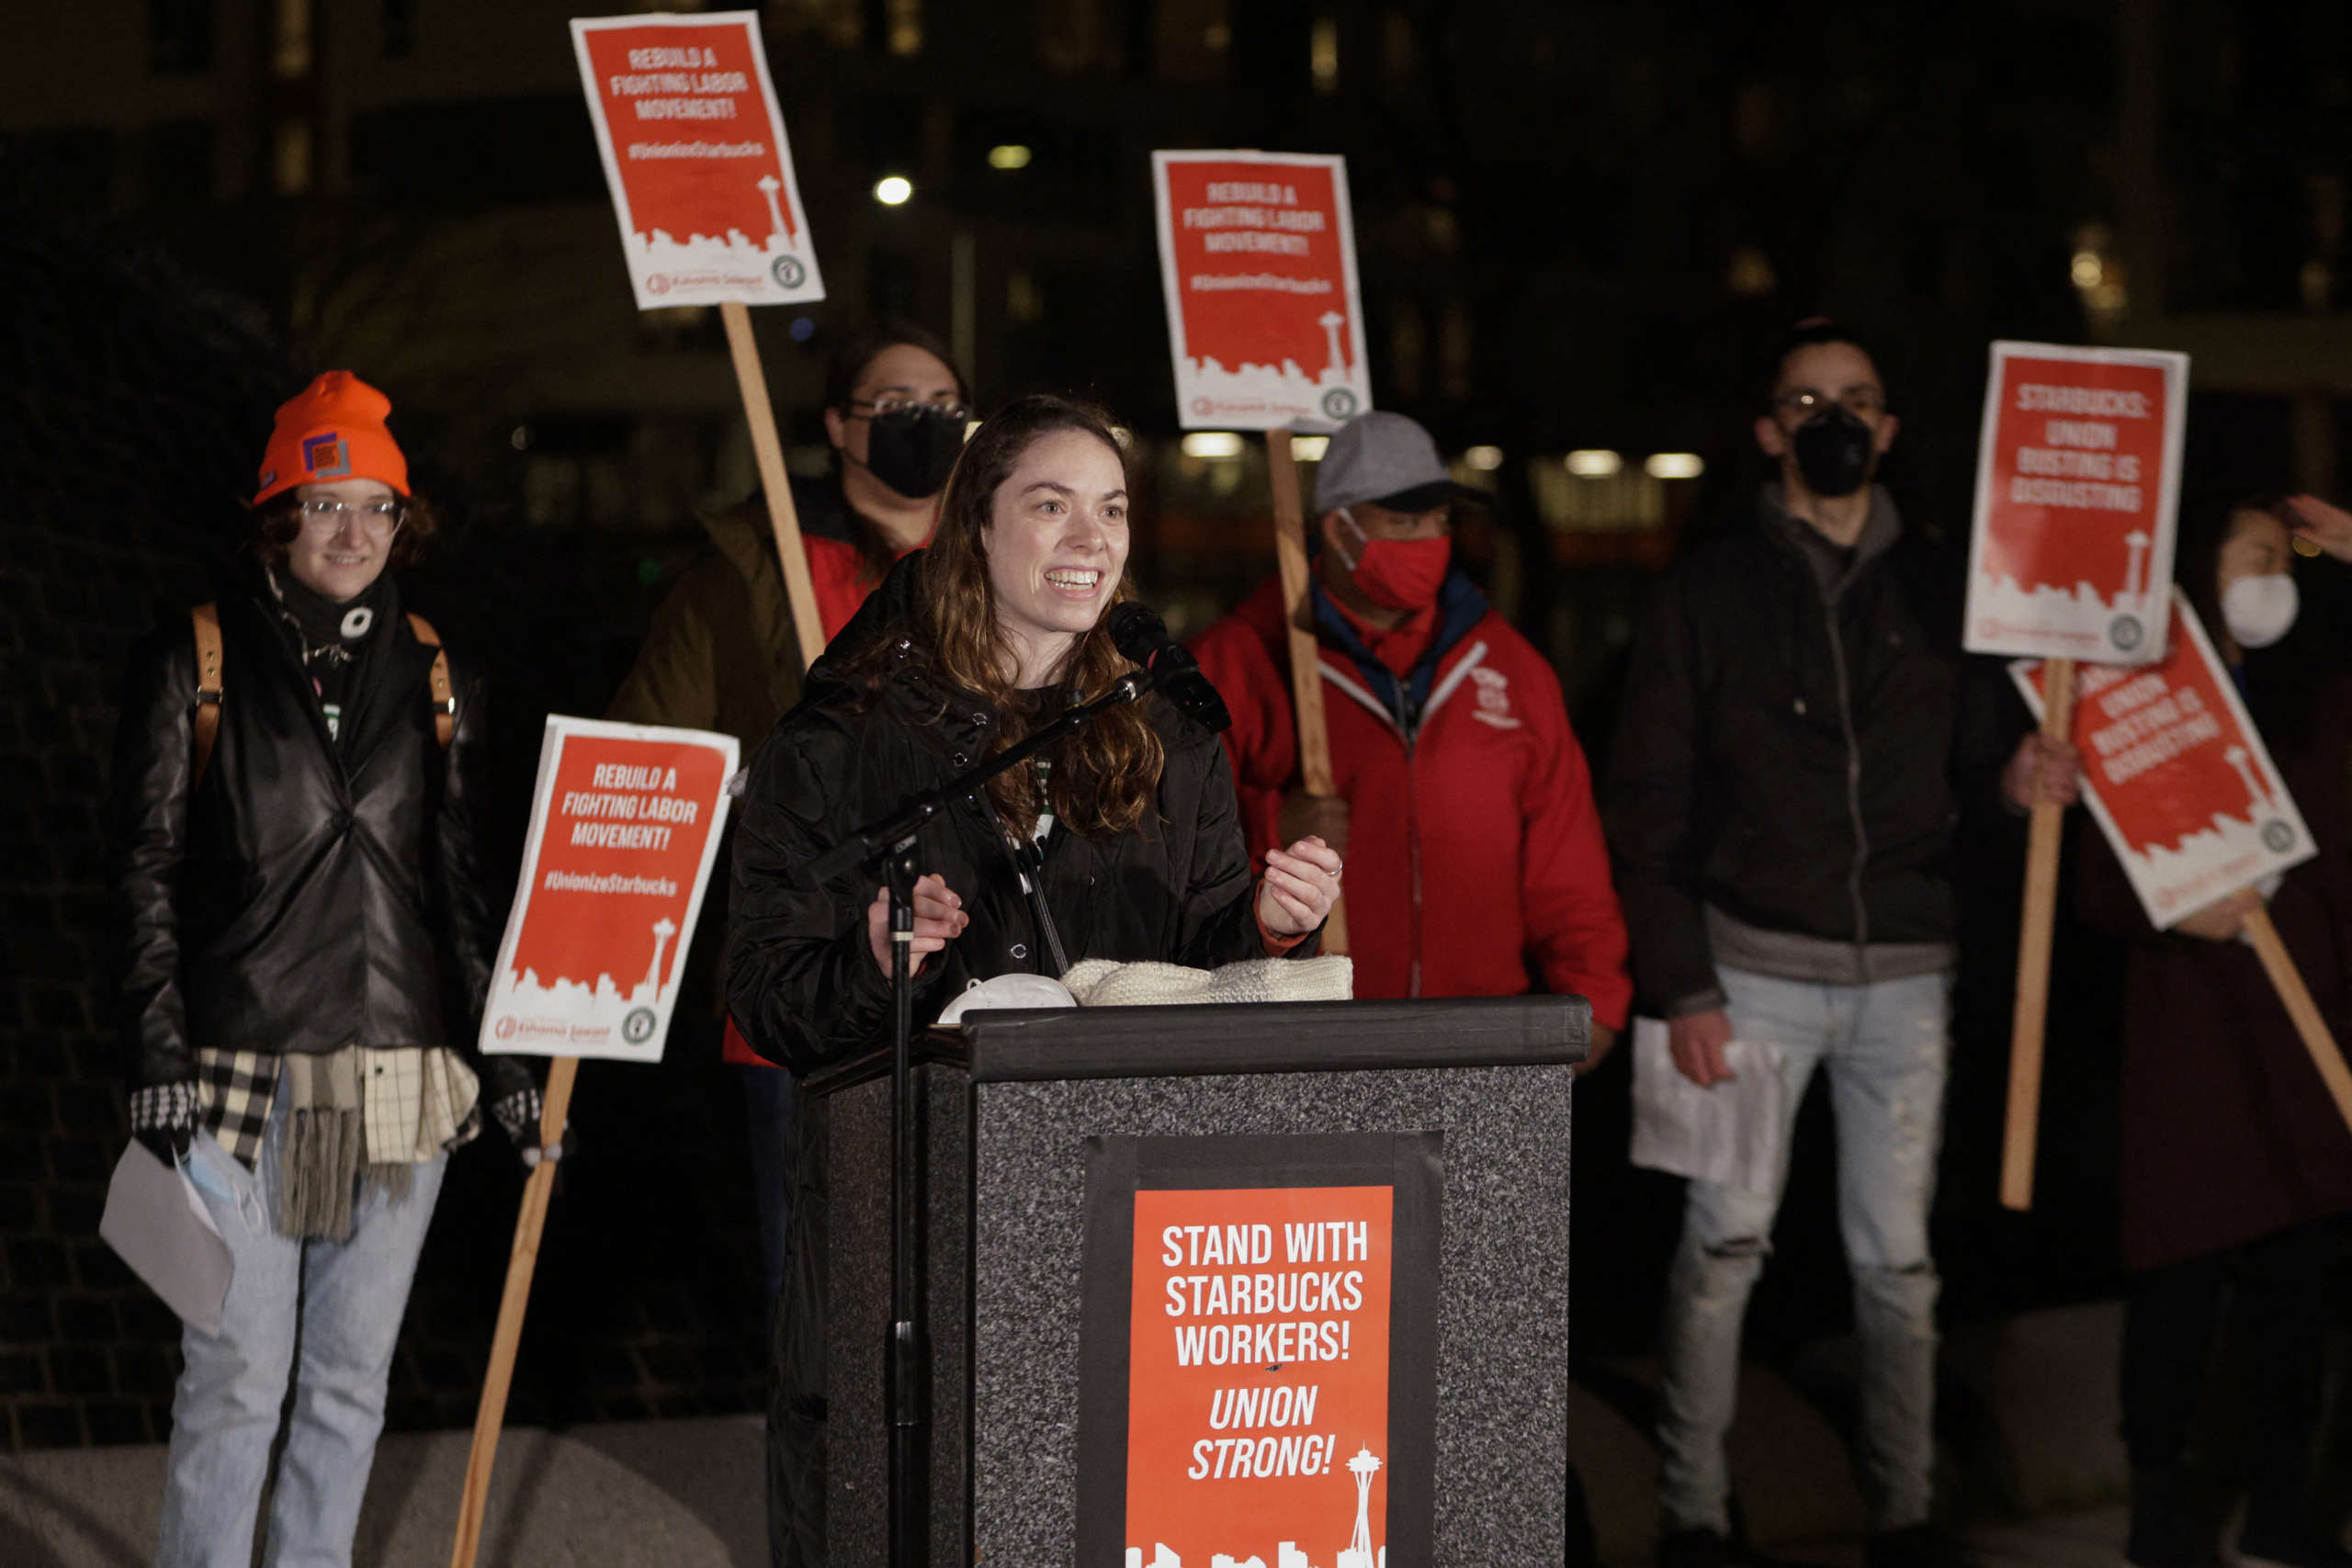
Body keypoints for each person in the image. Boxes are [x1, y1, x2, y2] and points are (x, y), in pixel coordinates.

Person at [726, 394, 1343, 1562]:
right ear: (975, 528)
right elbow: (763, 990)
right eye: (1049, 506)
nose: (1089, 540)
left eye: (1108, 511)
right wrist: (875, 961)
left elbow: (1197, 982)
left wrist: (1263, 928)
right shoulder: (845, 736)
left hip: (1118, 1229)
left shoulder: (1165, 725)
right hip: (916, 1229)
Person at [1606, 321, 2064, 1568]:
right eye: (1807, 399)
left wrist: (2020, 779)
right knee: (1720, 1252)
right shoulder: (1710, 591)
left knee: (1901, 1266)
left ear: (1892, 427)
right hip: (1746, 975)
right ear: (1770, 428)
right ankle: (1693, 1518)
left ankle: (1905, 1514)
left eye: (1857, 398)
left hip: (1908, 976)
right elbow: (1645, 802)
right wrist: (1684, 982)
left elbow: (1980, 761)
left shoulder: (1940, 584)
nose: (1834, 417)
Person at [107, 371, 548, 1568]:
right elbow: (140, 872)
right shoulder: (195, 656)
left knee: (351, 1379)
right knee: (238, 1370)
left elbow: (456, 886)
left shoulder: (436, 672)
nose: (353, 531)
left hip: (396, 1070)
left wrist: (500, 1056)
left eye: (378, 507)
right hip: (237, 1068)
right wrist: (153, 1053)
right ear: (276, 514)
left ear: (406, 523)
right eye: (326, 502)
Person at [606, 318, 970, 1324]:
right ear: (837, 427)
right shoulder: (753, 568)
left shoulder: (1000, 566)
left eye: (944, 408)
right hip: (812, 969)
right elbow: (646, 753)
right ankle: (825, 1480)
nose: (924, 426)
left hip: (979, 972)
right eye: (897, 406)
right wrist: (744, 781)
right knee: (820, 1287)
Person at [2071, 497, 2352, 1568]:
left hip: (2301, 1027)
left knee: (2294, 1291)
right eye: (2253, 556)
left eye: (2285, 558)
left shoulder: (2324, 693)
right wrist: (2169, 902)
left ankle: (2281, 1508)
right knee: (2177, 1288)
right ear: (2201, 569)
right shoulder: (2132, 700)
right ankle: (2160, 1507)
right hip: (2187, 1034)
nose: (2272, 573)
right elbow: (2094, 884)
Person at [1188, 410, 1632, 1050]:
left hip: (1481, 1035)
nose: (1429, 538)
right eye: (1403, 521)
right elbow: (1172, 851)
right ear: (1338, 530)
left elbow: (1565, 852)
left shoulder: (1508, 666)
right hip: (1305, 1035)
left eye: (1439, 522)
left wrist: (1594, 994)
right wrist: (1274, 831)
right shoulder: (1240, 661)